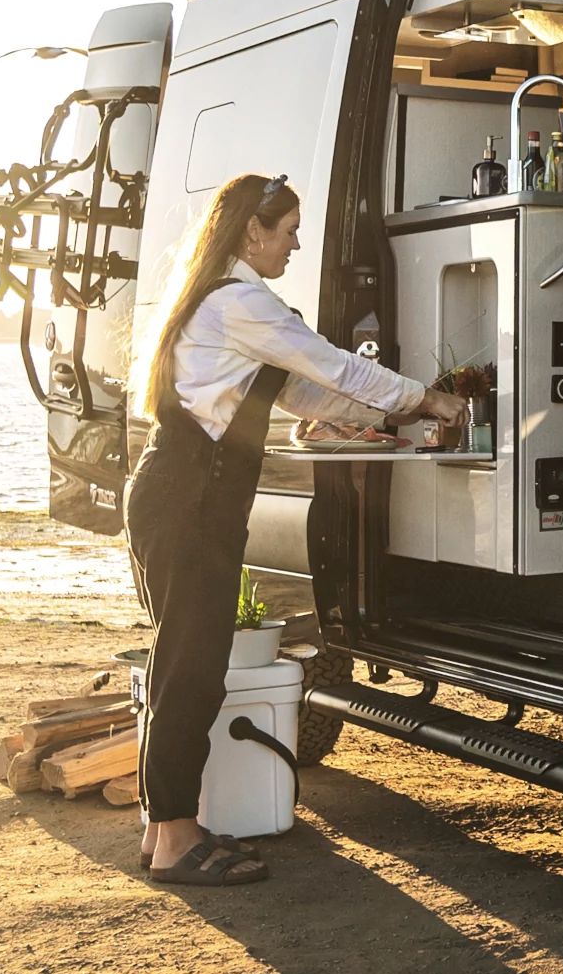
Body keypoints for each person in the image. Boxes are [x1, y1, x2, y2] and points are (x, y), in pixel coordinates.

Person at [122, 173, 445, 885]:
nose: (297, 242)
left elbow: (303, 389)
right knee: (191, 668)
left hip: (186, 497)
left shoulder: (229, 305)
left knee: (188, 664)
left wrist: (400, 418)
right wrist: (427, 397)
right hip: (189, 500)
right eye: (289, 229)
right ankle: (174, 837)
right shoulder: (242, 302)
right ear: (252, 233)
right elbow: (331, 364)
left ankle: (166, 828)